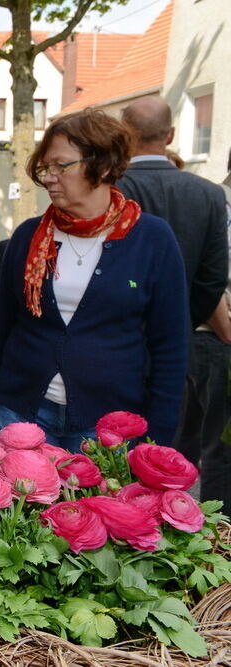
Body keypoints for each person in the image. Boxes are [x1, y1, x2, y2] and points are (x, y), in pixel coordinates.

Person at [0, 109, 188, 452]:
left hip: (108, 423)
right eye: (45, 167)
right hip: (22, 411)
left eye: (61, 166)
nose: (48, 177)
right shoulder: (28, 237)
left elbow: (170, 346)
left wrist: (159, 436)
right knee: (20, 506)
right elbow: (4, 321)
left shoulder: (152, 239)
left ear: (103, 166)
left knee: (94, 507)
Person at [118, 98, 230, 508]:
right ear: (171, 136)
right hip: (184, 341)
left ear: (124, 135)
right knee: (173, 445)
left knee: (115, 443)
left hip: (119, 340)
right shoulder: (209, 194)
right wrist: (181, 321)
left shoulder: (113, 189)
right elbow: (213, 277)